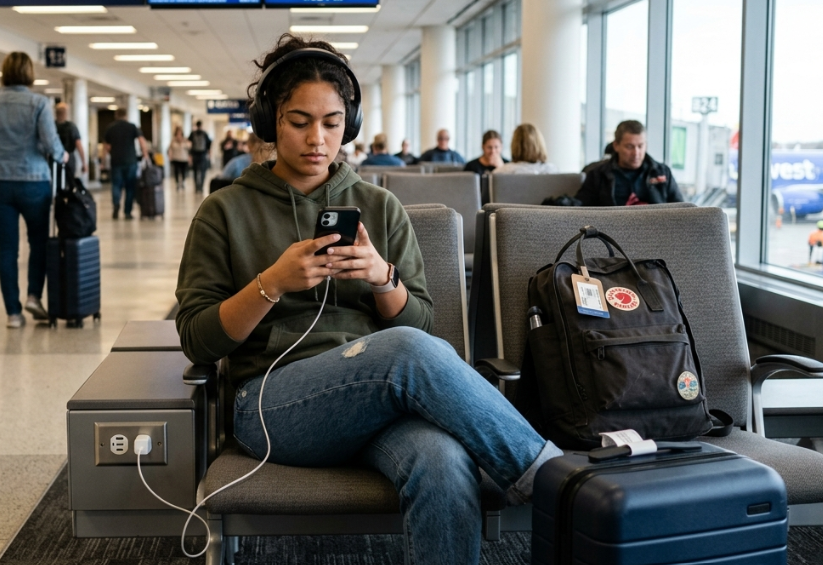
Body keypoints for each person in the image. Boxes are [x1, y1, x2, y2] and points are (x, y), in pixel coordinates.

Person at [175, 34, 560, 565]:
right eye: (299, 121)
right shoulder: (224, 211)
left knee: (445, 462)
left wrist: (383, 279)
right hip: (271, 407)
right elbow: (197, 339)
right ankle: (555, 484)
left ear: (349, 125)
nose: (318, 139)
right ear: (270, 121)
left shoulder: (380, 207)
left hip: (377, 403)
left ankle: (552, 484)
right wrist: (272, 284)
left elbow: (424, 328)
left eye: (332, 123)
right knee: (404, 350)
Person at [0, 51, 67, 329]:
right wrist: (63, 156)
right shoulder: (38, 103)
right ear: (29, 73)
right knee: (38, 243)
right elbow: (50, 143)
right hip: (33, 181)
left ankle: (13, 313)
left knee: (6, 248)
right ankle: (33, 296)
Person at [575, 120, 684, 206]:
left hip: (657, 226)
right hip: (612, 227)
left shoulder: (662, 172)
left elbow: (681, 209)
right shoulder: (597, 174)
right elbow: (581, 208)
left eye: (640, 146)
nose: (636, 153)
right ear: (616, 146)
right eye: (629, 147)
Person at [100, 108, 146, 219]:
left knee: (116, 185)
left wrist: (103, 161)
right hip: (131, 161)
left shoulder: (110, 128)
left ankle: (116, 204)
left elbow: (106, 146)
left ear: (116, 115)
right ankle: (127, 212)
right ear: (126, 115)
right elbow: (141, 141)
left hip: (116, 161)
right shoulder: (132, 127)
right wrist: (145, 154)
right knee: (130, 187)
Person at [54, 102, 86, 184]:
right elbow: (78, 144)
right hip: (67, 158)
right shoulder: (71, 127)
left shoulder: (52, 126)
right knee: (69, 182)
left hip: (56, 158)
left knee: (56, 182)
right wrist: (84, 163)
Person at [189, 120, 212, 193]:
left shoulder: (193, 133)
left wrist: (190, 155)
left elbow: (189, 144)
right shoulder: (204, 133)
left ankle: (197, 187)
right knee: (202, 171)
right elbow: (209, 144)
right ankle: (201, 186)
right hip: (202, 155)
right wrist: (209, 154)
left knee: (195, 172)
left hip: (195, 154)